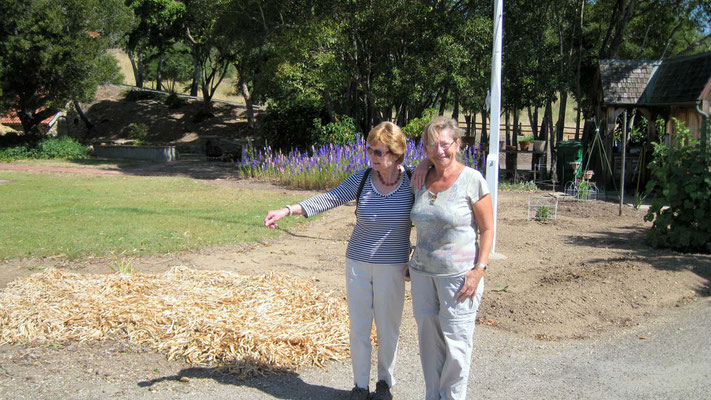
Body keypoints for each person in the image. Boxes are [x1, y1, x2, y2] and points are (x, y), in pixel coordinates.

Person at [264, 121, 428, 400]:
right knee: (359, 328)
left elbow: (439, 187)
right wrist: (288, 210)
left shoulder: (413, 182)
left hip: (394, 268)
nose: (373, 157)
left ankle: (384, 384)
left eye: (380, 152)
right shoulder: (362, 179)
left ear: (397, 153)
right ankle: (360, 386)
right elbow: (329, 198)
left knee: (389, 329)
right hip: (358, 265)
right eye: (370, 150)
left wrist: (425, 162)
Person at [407, 116, 494, 400]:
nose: (439, 150)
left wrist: (479, 270)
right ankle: (433, 395)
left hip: (459, 278)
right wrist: (423, 164)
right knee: (429, 343)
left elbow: (488, 229)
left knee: (457, 345)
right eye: (432, 146)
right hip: (422, 275)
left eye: (445, 144)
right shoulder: (420, 177)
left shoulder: (472, 180)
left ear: (458, 144)